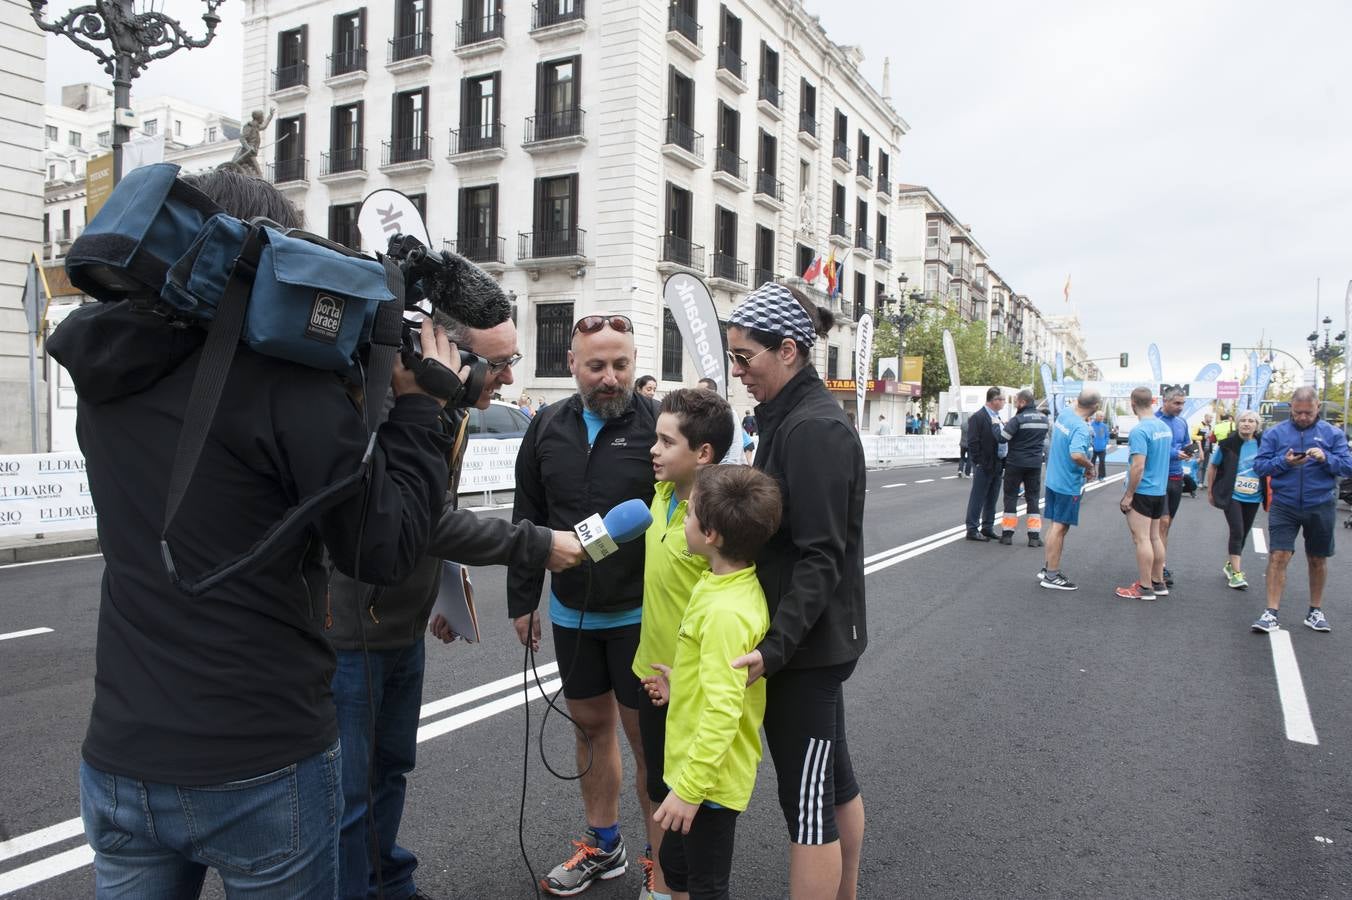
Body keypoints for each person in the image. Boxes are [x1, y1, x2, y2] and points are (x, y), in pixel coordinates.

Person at [51, 169, 456, 897]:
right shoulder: (289, 388)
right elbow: (383, 550)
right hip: (262, 761)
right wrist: (421, 411)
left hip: (119, 753)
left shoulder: (102, 371)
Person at [327, 312, 586, 900]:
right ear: (445, 353)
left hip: (402, 626)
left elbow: (423, 513)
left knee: (390, 770)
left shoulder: (450, 412)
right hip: (350, 634)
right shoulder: (387, 409)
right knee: (349, 793)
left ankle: (386, 882)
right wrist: (540, 544)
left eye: (512, 360)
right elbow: (421, 523)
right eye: (496, 363)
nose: (506, 376)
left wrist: (447, 590)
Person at [722, 283, 868, 900]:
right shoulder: (789, 418)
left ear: (788, 350)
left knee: (806, 807)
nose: (737, 372)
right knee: (833, 783)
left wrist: (776, 648)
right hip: (807, 640)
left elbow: (819, 554)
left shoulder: (812, 429)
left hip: (804, 648)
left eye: (744, 358)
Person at [508, 313, 661, 895]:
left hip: (642, 616)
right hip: (572, 613)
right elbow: (528, 517)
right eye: (596, 365)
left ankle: (660, 863)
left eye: (620, 364)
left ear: (633, 362)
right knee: (591, 730)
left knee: (649, 743)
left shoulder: (656, 425)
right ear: (572, 364)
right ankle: (605, 847)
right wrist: (523, 602)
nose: (609, 377)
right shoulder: (546, 425)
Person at [645, 465, 781, 900]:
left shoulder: (727, 612)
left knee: (706, 887)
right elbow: (716, 681)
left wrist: (689, 791)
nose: (682, 519)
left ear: (711, 535)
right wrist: (681, 683)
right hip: (692, 771)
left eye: (689, 515)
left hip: (708, 784)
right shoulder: (720, 583)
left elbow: (725, 711)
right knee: (676, 867)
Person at [632, 387, 735, 900]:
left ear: (703, 454)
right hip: (649, 675)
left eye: (666, 442)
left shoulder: (714, 526)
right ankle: (663, 886)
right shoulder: (662, 493)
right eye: (655, 438)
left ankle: (688, 888)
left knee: (692, 808)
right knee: (657, 788)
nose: (653, 450)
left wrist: (689, 683)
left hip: (687, 690)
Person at [1249, 387, 1352, 633]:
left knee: (1317, 558)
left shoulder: (1333, 433)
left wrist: (1325, 457)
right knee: (1278, 556)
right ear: (1290, 408)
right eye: (1298, 412)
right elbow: (1259, 467)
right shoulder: (1275, 433)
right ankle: (1271, 612)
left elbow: (1347, 467)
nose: (1303, 417)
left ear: (1317, 407)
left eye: (1308, 412)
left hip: (1321, 503)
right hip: (1285, 504)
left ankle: (1315, 611)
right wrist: (1285, 462)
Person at [1039, 390, 1101, 590]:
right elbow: (1076, 454)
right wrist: (1090, 466)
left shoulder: (1065, 413)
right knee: (1060, 527)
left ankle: (1048, 568)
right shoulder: (1081, 428)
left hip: (1053, 478)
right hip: (1067, 483)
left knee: (1054, 526)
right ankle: (1051, 576)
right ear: (1096, 407)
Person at [1115, 387, 1172, 600]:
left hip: (1143, 490)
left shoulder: (1140, 431)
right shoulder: (1164, 428)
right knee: (1155, 537)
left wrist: (1129, 494)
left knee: (1141, 539)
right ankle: (1158, 582)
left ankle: (1144, 587)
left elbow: (1138, 467)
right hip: (1159, 490)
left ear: (1132, 403)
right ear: (1153, 401)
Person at [1206, 410, 1267, 590]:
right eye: (1243, 421)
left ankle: (1230, 565)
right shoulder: (1227, 444)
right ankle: (1237, 575)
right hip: (1232, 494)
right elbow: (1213, 467)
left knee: (1245, 532)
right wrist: (1210, 491)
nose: (1246, 424)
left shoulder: (1263, 444)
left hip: (1254, 495)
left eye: (1251, 421)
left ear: (1257, 425)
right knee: (1237, 531)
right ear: (1237, 424)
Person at [995, 389, 1049, 547]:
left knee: (1011, 497)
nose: (1015, 403)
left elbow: (1002, 439)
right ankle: (1034, 537)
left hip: (1015, 463)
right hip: (1034, 464)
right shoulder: (1044, 419)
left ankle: (1007, 535)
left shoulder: (1017, 419)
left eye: (1017, 401)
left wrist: (996, 427)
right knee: (1033, 499)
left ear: (1023, 402)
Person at [1155, 387, 1194, 587]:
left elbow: (1186, 443)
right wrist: (1173, 453)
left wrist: (1189, 451)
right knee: (1162, 521)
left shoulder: (1182, 422)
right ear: (1165, 401)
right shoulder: (1154, 422)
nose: (1180, 407)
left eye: (1182, 403)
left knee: (1167, 525)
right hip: (1157, 478)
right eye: (1176, 403)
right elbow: (1153, 448)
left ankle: (1160, 562)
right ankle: (1158, 568)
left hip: (1177, 478)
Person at [964, 387, 1006, 542]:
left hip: (997, 463)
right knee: (978, 497)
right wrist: (978, 462)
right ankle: (972, 529)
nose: (1003, 402)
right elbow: (973, 442)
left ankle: (987, 527)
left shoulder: (998, 417)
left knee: (992, 497)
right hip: (985, 463)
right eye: (1002, 399)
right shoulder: (978, 417)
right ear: (994, 400)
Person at [1194, 413, 1216, 488]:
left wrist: (1212, 438)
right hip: (1199, 449)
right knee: (1199, 466)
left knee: (1204, 467)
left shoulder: (1210, 427)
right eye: (1210, 417)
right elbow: (1192, 436)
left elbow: (1210, 438)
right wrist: (1203, 437)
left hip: (1207, 449)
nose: (1211, 419)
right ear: (1206, 417)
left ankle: (1201, 482)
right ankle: (1197, 482)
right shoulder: (1198, 425)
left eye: (1212, 418)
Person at [1090, 411, 1112, 481]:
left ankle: (1101, 477)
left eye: (1103, 416)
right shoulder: (1091, 425)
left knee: (1102, 462)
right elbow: (1089, 435)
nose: (1102, 418)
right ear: (1096, 416)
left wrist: (1105, 443)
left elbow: (1107, 436)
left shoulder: (1104, 426)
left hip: (1102, 448)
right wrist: (1092, 443)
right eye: (1101, 416)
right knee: (1091, 463)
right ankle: (1091, 476)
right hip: (1093, 447)